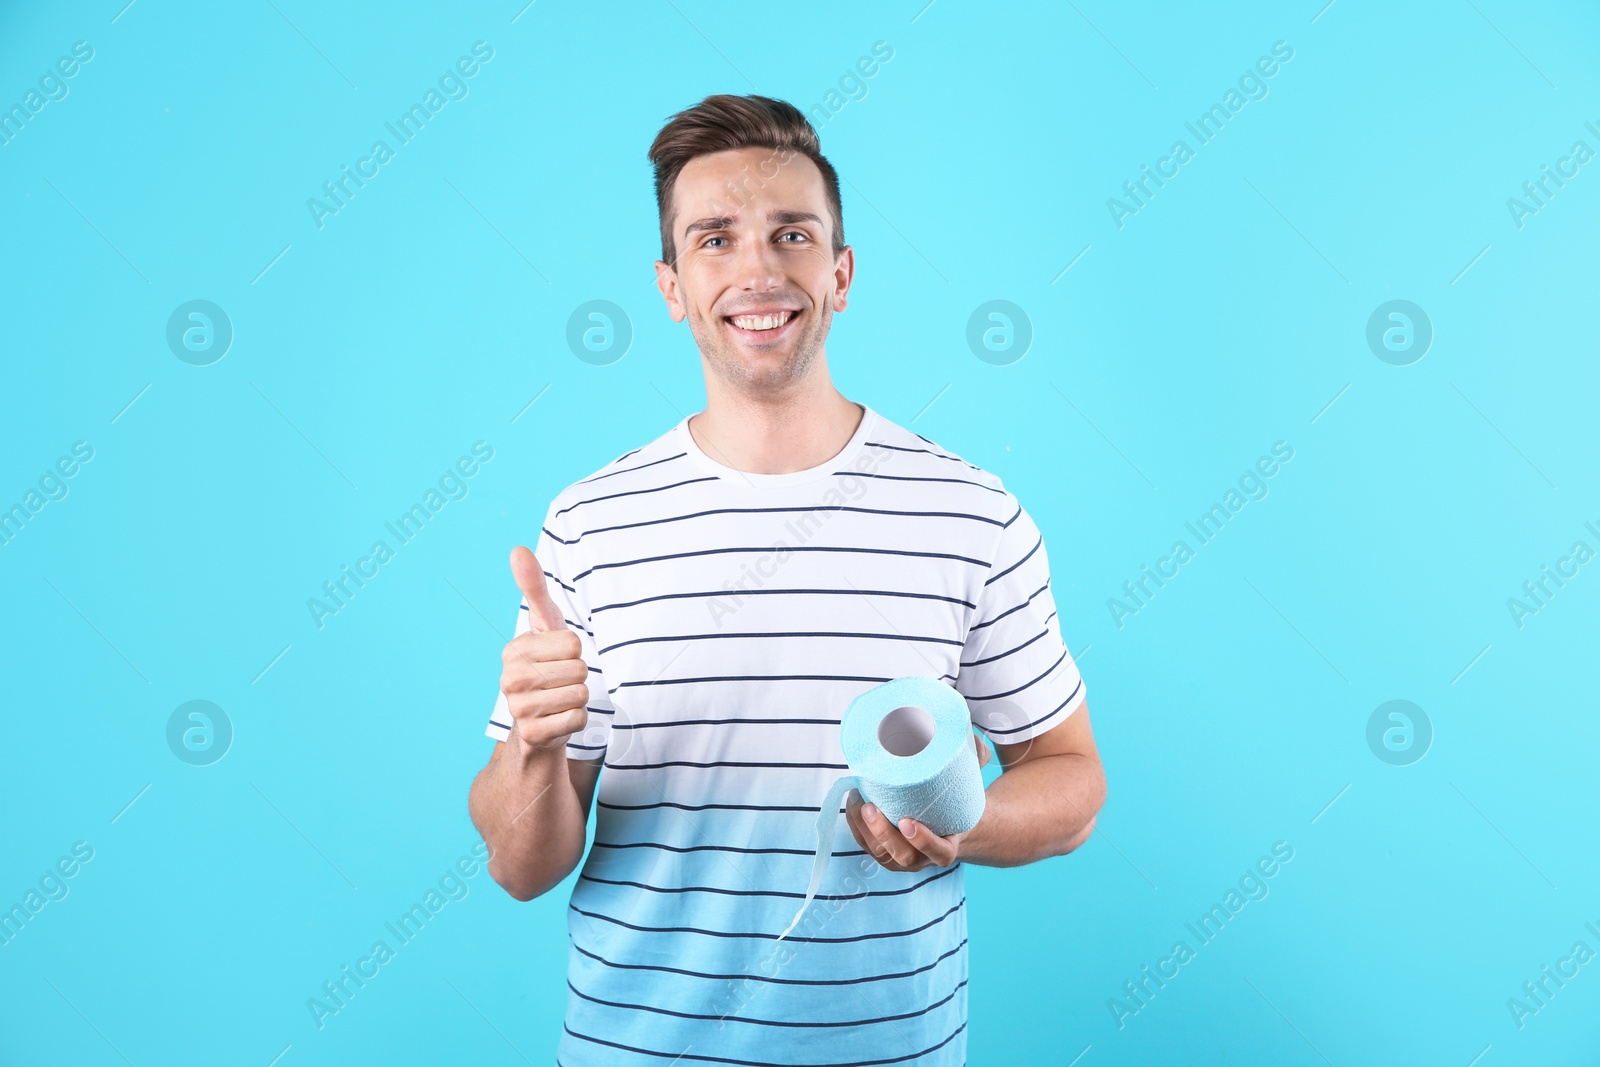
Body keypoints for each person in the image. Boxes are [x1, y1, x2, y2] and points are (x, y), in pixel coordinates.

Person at [467, 93, 1106, 1066]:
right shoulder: (590, 524)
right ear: (672, 285)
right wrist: (534, 751)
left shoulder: (970, 511)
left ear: (840, 273)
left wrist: (958, 828)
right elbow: (519, 867)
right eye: (714, 238)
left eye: (791, 234)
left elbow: (1072, 783)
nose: (758, 269)